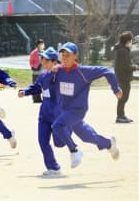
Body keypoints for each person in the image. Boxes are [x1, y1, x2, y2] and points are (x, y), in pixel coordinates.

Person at [51, 42, 122, 168]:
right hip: (65, 112)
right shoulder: (58, 71)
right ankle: (109, 144)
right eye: (63, 55)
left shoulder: (83, 72)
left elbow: (107, 71)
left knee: (57, 125)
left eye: (68, 55)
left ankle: (74, 151)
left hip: (77, 110)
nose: (65, 57)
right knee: (88, 137)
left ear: (76, 56)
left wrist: (115, 89)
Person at [18, 47, 64, 176]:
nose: (42, 61)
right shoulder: (43, 75)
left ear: (53, 61)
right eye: (42, 58)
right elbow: (37, 87)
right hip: (44, 113)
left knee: (59, 142)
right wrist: (25, 91)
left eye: (45, 59)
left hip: (57, 113)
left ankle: (68, 135)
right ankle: (53, 167)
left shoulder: (60, 74)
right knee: (42, 140)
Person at [114, 31, 139, 123]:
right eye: (131, 40)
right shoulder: (122, 51)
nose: (131, 42)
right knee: (123, 97)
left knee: (124, 97)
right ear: (127, 41)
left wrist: (132, 65)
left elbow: (125, 64)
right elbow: (124, 66)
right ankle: (120, 116)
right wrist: (134, 67)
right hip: (123, 78)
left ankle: (122, 115)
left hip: (123, 77)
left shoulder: (123, 50)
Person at [29, 39, 45, 103]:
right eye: (41, 44)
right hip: (36, 71)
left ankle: (41, 97)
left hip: (42, 71)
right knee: (36, 84)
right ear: (38, 45)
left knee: (42, 85)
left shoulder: (44, 52)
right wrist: (34, 66)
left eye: (42, 44)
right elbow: (31, 62)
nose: (42, 45)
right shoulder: (34, 53)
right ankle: (35, 98)